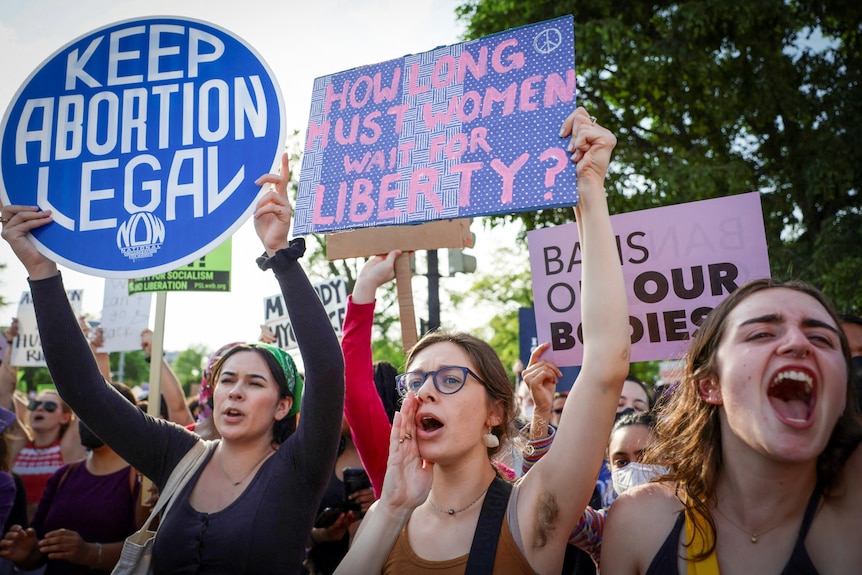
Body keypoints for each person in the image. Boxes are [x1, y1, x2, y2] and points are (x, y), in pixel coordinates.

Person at [0, 152, 346, 573]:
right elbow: (84, 393)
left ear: (283, 405)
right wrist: (41, 271)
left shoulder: (300, 464)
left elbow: (327, 372)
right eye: (227, 379)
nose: (235, 390)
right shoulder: (180, 455)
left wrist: (281, 257)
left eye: (255, 383)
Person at [336, 107, 630, 575]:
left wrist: (590, 194)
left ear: (495, 411)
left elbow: (605, 364)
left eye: (450, 379)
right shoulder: (387, 514)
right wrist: (390, 506)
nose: (425, 391)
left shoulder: (532, 512)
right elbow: (350, 387)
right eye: (414, 382)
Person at [602, 278, 862, 573]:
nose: (799, 343)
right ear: (710, 385)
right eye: (762, 333)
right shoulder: (640, 521)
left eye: (822, 339)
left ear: (842, 393)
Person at [0, 383, 148, 574]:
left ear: (125, 418)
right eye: (81, 409)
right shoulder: (63, 476)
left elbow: (147, 551)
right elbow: (40, 552)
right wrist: (26, 554)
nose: (85, 417)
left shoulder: (141, 480)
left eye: (95, 410)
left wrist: (90, 553)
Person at [11, 389, 85, 522]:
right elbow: (5, 391)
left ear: (65, 417)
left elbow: (90, 398)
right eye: (34, 405)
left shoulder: (66, 449)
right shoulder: (20, 444)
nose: (39, 408)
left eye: (49, 406)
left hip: (51, 534)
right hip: (14, 533)